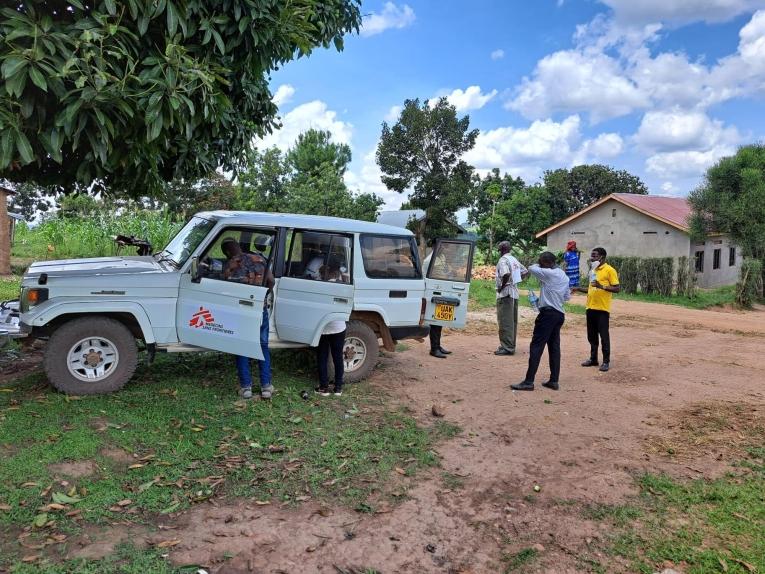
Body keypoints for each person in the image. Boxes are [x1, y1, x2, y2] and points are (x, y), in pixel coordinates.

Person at [221, 237, 275, 399]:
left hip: (240, 311)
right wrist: (263, 294)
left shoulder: (231, 265)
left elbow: (224, 288)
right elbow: (271, 281)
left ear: (228, 252)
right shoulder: (259, 259)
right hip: (259, 309)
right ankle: (266, 387)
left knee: (242, 347)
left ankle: (246, 388)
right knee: (262, 346)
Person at [510, 252, 571, 391]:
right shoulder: (564, 276)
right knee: (554, 347)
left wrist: (540, 265)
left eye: (542, 262)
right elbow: (567, 297)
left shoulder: (549, 274)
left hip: (548, 315)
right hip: (559, 314)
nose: (540, 264)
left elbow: (531, 268)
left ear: (548, 263)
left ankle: (529, 381)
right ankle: (554, 380)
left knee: (536, 346)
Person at [573, 247, 620, 372]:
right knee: (591, 336)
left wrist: (601, 286)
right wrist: (578, 288)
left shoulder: (610, 270)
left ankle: (606, 361)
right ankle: (593, 359)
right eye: (591, 256)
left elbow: (617, 288)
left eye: (594, 256)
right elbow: (590, 289)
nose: (592, 258)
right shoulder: (593, 270)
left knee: (604, 336)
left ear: (602, 257)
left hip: (602, 309)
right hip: (590, 307)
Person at [315, 256, 348, 396]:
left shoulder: (320, 284)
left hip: (323, 326)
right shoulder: (344, 283)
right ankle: (338, 387)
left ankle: (323, 387)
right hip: (339, 325)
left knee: (322, 356)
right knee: (338, 357)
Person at [494, 241, 527, 356]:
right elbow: (525, 271)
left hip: (506, 294)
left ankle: (507, 348)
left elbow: (506, 274)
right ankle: (510, 344)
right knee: (512, 321)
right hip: (514, 294)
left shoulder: (503, 260)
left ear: (502, 250)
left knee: (505, 321)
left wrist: (501, 287)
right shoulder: (513, 259)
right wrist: (516, 281)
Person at [423, 247, 452, 359]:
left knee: (439, 320)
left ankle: (438, 346)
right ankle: (434, 349)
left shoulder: (441, 257)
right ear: (436, 246)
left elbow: (444, 271)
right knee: (434, 321)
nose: (444, 248)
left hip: (441, 290)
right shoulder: (429, 260)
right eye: (442, 246)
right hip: (432, 292)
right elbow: (432, 276)